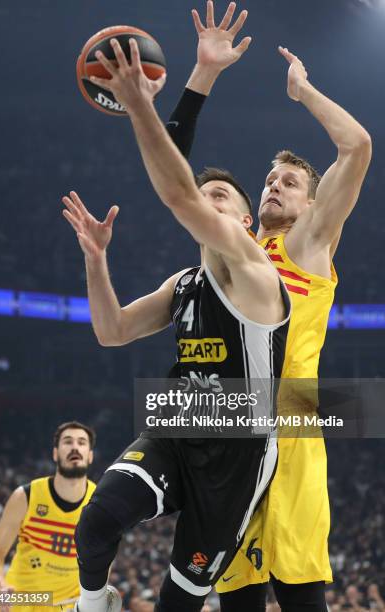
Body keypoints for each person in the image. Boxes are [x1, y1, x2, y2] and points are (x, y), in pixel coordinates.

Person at [62, 26, 290, 612]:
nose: (204, 198)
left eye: (220, 197)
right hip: (176, 432)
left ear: (244, 226)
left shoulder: (257, 273)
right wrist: (97, 261)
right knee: (95, 523)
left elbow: (178, 193)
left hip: (238, 454)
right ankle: (94, 602)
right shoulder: (182, 284)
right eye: (205, 192)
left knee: (178, 601)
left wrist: (147, 99)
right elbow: (111, 332)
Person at [160, 2, 372, 611]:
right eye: (270, 178)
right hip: (232, 427)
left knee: (302, 594)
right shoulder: (236, 251)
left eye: (289, 181)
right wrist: (201, 76)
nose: (274, 184)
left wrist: (303, 91)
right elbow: (171, 175)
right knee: (239, 600)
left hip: (296, 424)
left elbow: (356, 145)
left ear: (312, 206)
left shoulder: (308, 244)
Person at [0, 422, 96, 612]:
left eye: (82, 442)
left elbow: (104, 559)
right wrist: (0, 586)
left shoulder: (99, 503)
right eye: (68, 442)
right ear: (55, 453)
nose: (75, 447)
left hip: (68, 606)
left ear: (90, 455)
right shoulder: (25, 496)